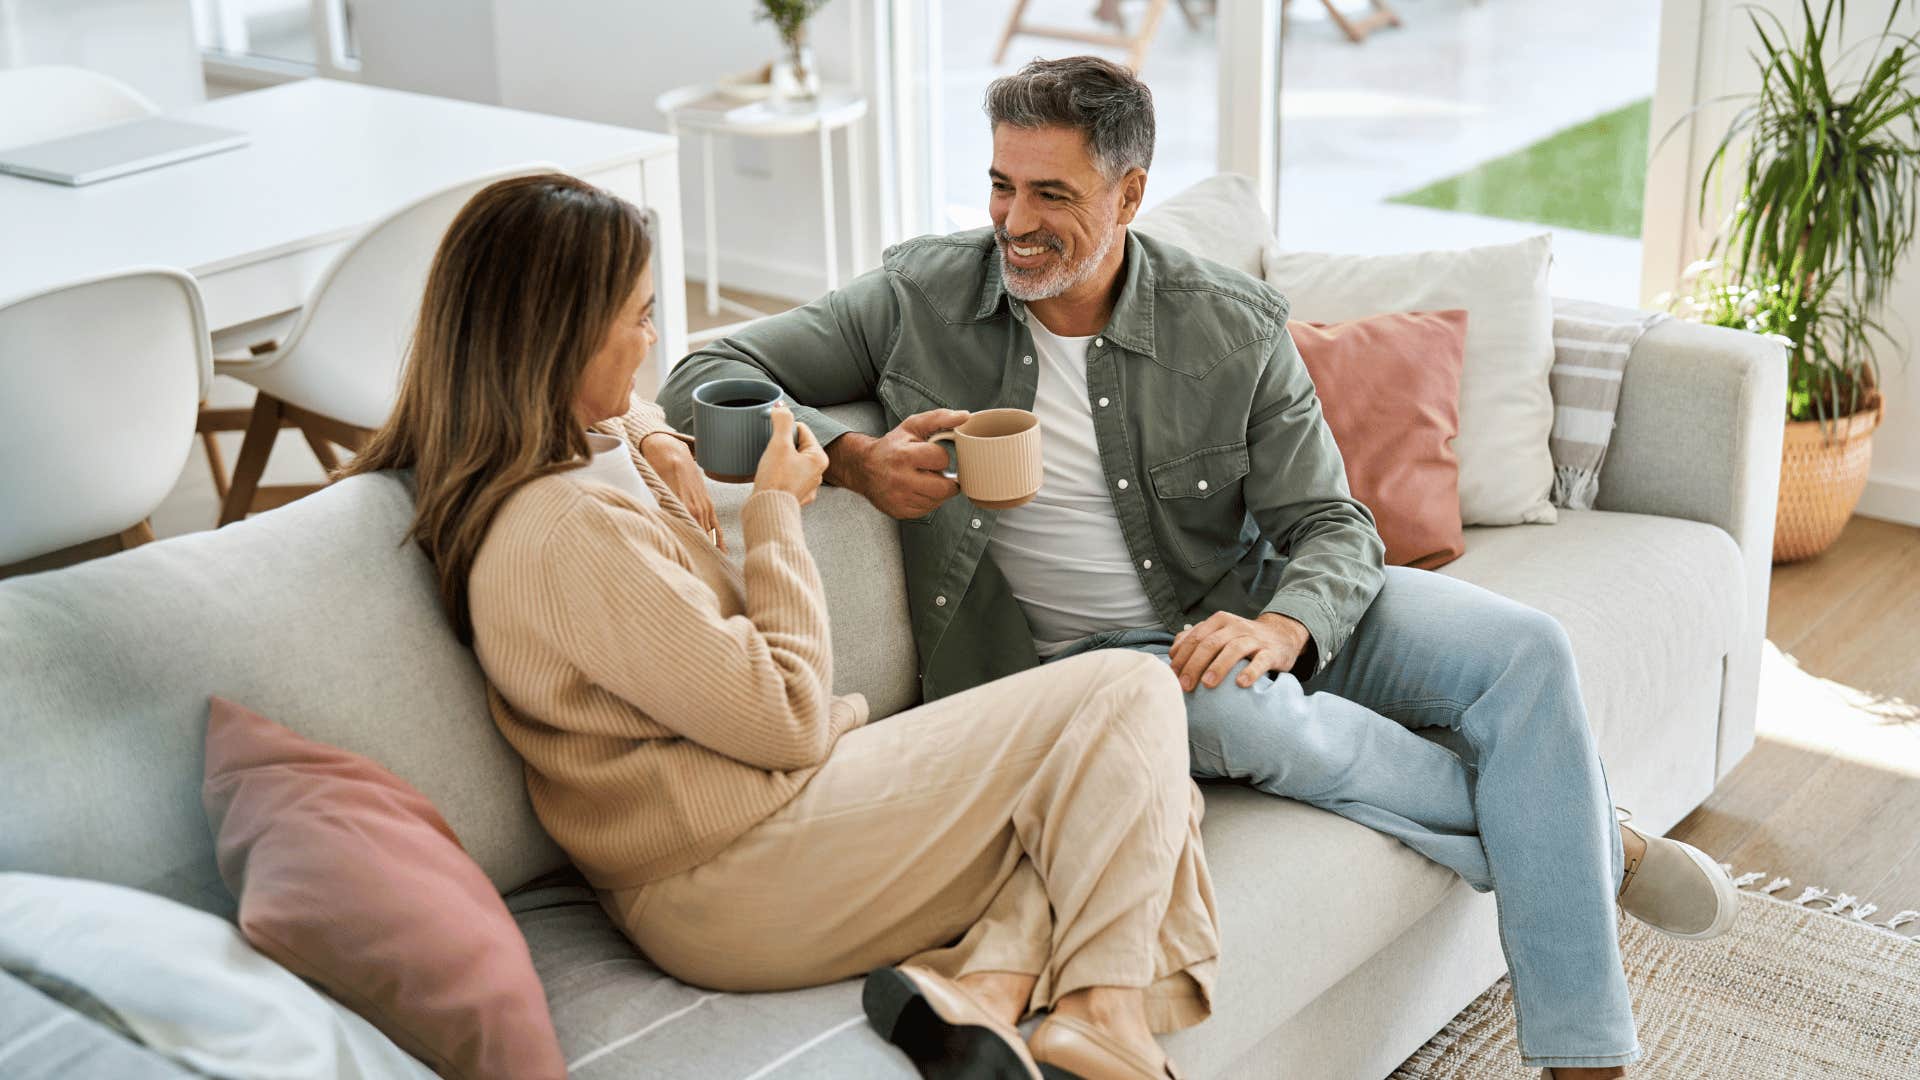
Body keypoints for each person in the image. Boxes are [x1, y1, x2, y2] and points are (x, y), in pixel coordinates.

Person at [659, 56, 1741, 1079]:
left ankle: (1583, 1050)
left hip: (1251, 604)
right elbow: (701, 372)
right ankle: (1592, 837)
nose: (1015, 223)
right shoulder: (918, 298)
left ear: (1129, 195)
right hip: (1086, 683)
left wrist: (1284, 630)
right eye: (1000, 186)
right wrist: (851, 460)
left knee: (1524, 650)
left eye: (1051, 194)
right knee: (1257, 718)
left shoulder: (1226, 326)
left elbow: (1332, 523)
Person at [339, 172, 1218, 1080]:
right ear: (556, 339)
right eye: (639, 318)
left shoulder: (567, 442)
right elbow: (791, 717)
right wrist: (774, 514)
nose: (653, 343)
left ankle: (986, 997)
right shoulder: (562, 533)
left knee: (1133, 787)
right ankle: (1103, 1009)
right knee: (1134, 691)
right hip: (725, 878)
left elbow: (631, 413)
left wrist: (658, 440)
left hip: (761, 829)